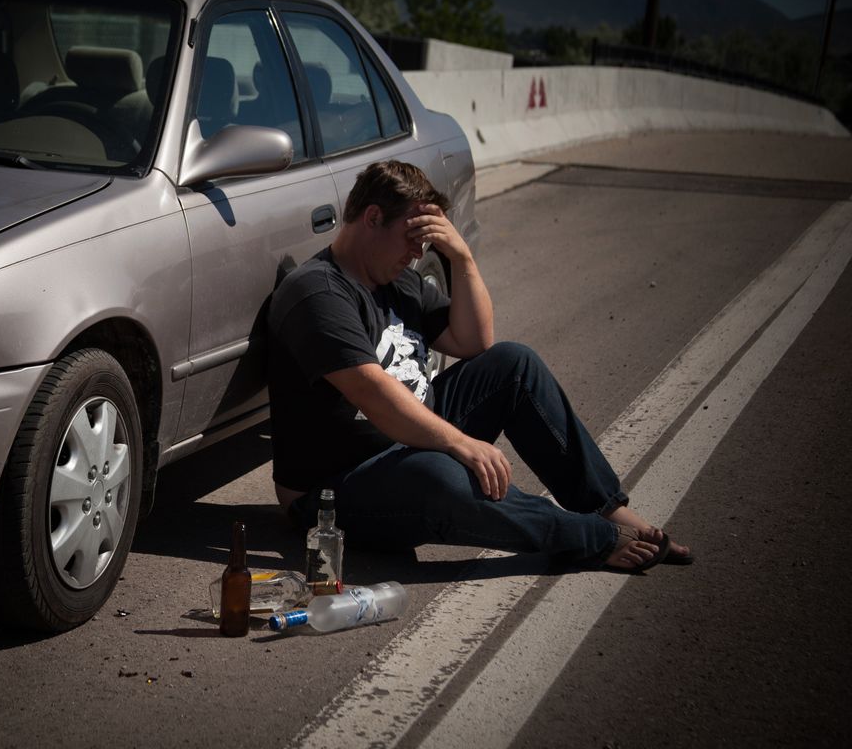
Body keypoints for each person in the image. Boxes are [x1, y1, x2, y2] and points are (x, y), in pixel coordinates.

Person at [267, 160, 692, 571]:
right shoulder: (318, 293)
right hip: (333, 488)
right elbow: (372, 394)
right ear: (373, 217)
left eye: (426, 241)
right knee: (437, 473)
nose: (418, 253)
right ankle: (589, 538)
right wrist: (458, 443)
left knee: (514, 362)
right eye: (412, 235)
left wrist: (461, 258)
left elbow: (474, 342)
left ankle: (607, 509)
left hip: (406, 442)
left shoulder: (398, 281)